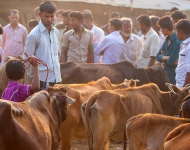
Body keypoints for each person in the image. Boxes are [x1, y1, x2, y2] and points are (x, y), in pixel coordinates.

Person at [24, 1, 62, 89]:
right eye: (46, 16)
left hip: (57, 78)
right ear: (39, 14)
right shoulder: (34, 34)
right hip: (41, 80)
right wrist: (34, 79)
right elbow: (27, 60)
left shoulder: (55, 32)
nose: (49, 19)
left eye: (52, 16)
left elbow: (56, 55)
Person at [156, 16, 181, 84]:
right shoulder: (167, 40)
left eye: (161, 29)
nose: (160, 31)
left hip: (173, 75)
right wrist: (167, 57)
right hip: (166, 73)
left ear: (165, 29)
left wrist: (163, 57)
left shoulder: (177, 42)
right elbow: (157, 56)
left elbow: (170, 62)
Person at [175, 19, 190, 88]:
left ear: (181, 32)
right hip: (180, 84)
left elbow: (189, 70)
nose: (176, 34)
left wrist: (184, 89)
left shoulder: (189, 46)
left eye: (176, 32)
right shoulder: (184, 44)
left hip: (185, 87)